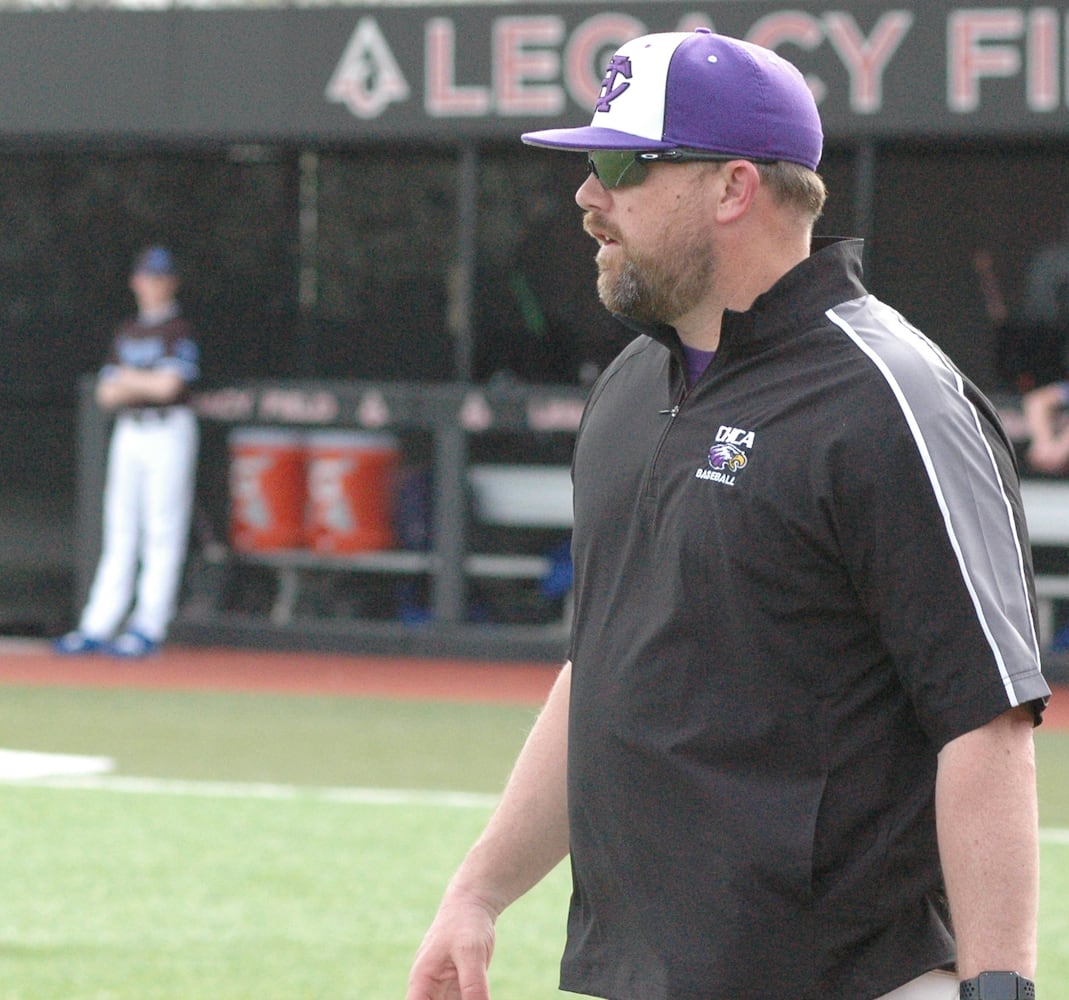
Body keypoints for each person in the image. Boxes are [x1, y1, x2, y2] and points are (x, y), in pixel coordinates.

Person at [406, 29, 1051, 1000]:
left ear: (732, 188)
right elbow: (606, 666)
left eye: (620, 165)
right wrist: (477, 892)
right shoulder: (631, 385)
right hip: (640, 975)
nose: (587, 197)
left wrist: (998, 989)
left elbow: (984, 718)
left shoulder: (892, 397)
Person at [54, 246, 200, 658]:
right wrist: (144, 380)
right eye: (145, 276)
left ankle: (148, 625)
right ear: (135, 281)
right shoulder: (128, 330)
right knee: (119, 529)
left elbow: (169, 387)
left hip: (168, 428)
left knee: (162, 529)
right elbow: (105, 393)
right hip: (130, 431)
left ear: (170, 282)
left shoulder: (178, 329)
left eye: (159, 277)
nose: (151, 285)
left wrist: (130, 380)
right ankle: (97, 624)